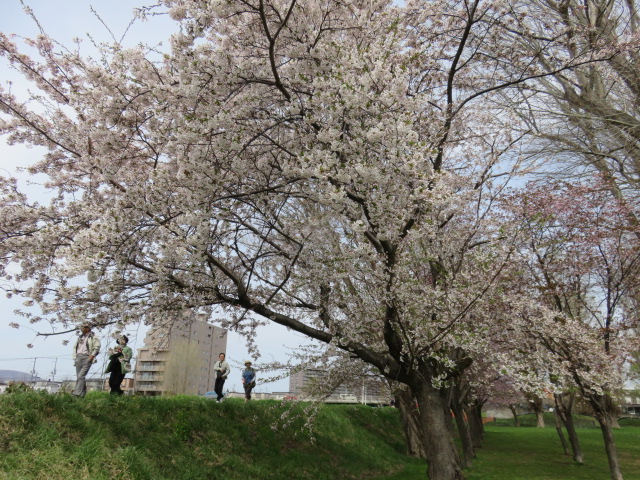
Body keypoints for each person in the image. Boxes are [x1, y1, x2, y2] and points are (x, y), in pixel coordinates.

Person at [72, 322, 101, 397]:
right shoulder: (80, 337)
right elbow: (75, 347)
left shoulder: (93, 336)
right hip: (78, 357)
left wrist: (91, 356)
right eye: (81, 327)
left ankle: (76, 394)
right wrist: (75, 357)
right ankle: (82, 394)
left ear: (88, 328)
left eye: (84, 327)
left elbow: (97, 347)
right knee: (80, 376)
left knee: (81, 376)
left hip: (87, 357)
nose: (82, 329)